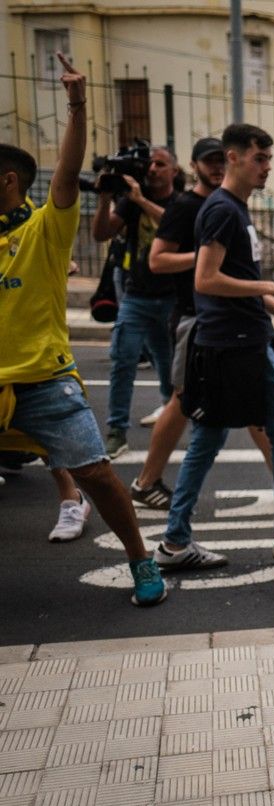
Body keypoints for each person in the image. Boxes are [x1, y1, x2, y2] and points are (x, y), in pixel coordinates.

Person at [0, 52, 166, 605]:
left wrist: (76, 105)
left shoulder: (45, 229)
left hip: (44, 382)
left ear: (8, 183)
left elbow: (68, 176)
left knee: (95, 473)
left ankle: (141, 560)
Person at [156, 123, 274, 573]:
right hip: (236, 345)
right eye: (260, 158)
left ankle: (176, 541)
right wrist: (271, 284)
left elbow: (233, 275)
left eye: (269, 159)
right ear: (232, 157)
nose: (267, 168)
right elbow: (206, 278)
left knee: (209, 438)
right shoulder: (222, 210)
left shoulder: (235, 208)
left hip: (236, 340)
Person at [91, 144, 180, 459]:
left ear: (175, 171)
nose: (153, 169)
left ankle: (173, 414)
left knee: (169, 363)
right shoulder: (130, 203)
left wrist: (141, 200)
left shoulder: (180, 202)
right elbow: (101, 234)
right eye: (150, 164)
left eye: (160, 164)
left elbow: (178, 226)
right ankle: (116, 430)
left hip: (171, 298)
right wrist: (104, 200)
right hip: (137, 295)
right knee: (123, 360)